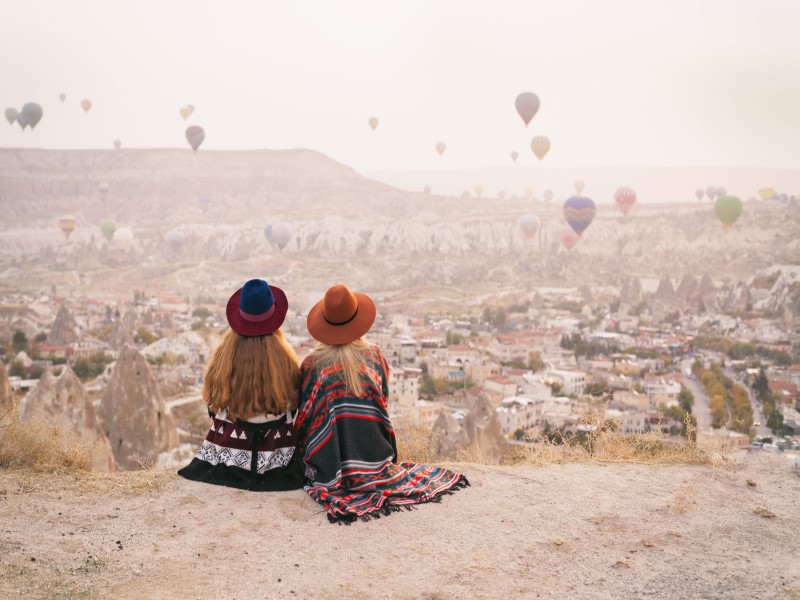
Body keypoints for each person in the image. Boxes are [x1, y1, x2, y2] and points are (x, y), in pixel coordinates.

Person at [295, 283, 468, 523]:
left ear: (325, 324)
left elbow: (304, 418)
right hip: (377, 456)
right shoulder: (375, 355)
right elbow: (382, 404)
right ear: (357, 320)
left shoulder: (313, 365)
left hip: (329, 464)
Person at [178, 279, 305, 491]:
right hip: (277, 456)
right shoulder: (286, 360)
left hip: (231, 450)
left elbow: (213, 404)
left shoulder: (223, 358)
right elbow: (293, 404)